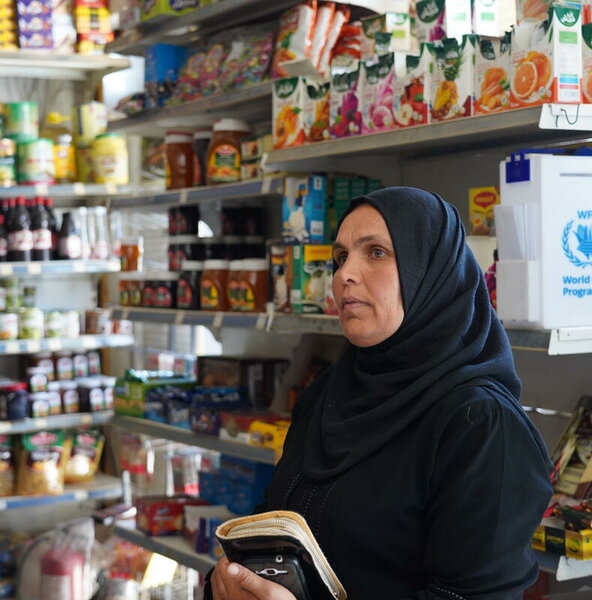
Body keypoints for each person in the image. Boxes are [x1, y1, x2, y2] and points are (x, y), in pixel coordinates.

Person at [209, 187, 553, 599]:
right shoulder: (328, 391)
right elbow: (275, 535)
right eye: (340, 258)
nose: (344, 275)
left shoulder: (480, 423)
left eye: (375, 252)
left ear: (431, 272)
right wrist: (232, 583)